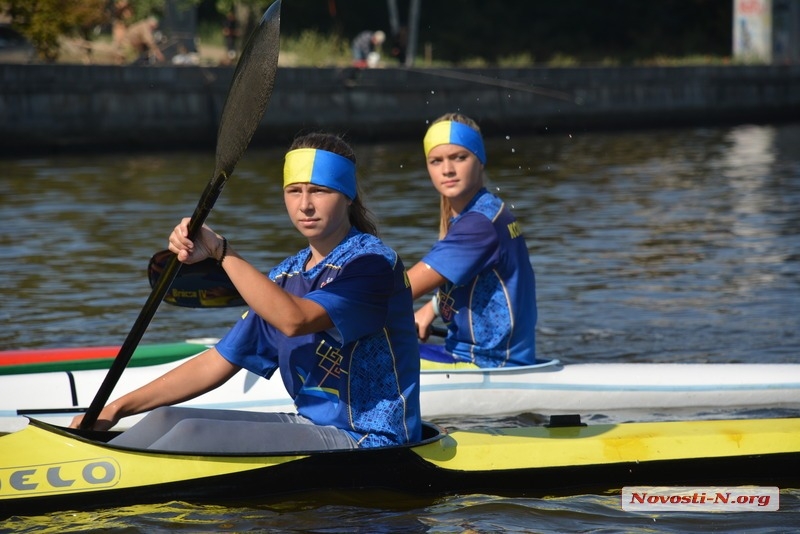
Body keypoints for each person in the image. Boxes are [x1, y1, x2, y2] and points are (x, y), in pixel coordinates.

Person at [71, 133, 422, 453]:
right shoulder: (286, 275)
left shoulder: (372, 264)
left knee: (193, 434)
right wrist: (115, 408)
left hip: (371, 441)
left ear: (347, 196)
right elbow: (219, 361)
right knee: (166, 420)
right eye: (294, 191)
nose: (305, 205)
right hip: (314, 428)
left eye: (319, 191)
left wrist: (221, 252)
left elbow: (294, 320)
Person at [408, 113, 538, 368]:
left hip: (487, 363)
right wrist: (431, 309)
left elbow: (398, 289)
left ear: (480, 160)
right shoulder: (489, 210)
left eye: (459, 157)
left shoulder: (478, 226)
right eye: (436, 161)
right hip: (496, 355)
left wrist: (325, 306)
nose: (447, 170)